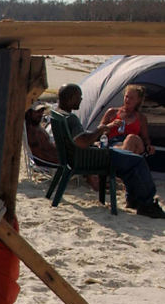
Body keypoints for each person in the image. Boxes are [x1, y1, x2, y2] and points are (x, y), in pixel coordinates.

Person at [56, 83, 165, 218]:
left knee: (131, 160)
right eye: (79, 97)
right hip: (93, 157)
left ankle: (134, 199)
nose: (81, 100)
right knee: (137, 161)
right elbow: (83, 142)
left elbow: (81, 140)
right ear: (71, 98)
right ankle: (147, 204)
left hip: (81, 155)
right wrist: (101, 130)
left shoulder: (59, 114)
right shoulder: (71, 118)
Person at [100, 83, 154, 156]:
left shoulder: (141, 118)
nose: (127, 100)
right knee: (128, 148)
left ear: (138, 100)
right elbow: (98, 131)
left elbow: (145, 138)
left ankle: (123, 158)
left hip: (135, 143)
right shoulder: (112, 112)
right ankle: (126, 161)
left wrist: (148, 146)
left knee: (131, 138)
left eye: (131, 98)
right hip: (115, 143)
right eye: (126, 96)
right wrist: (110, 125)